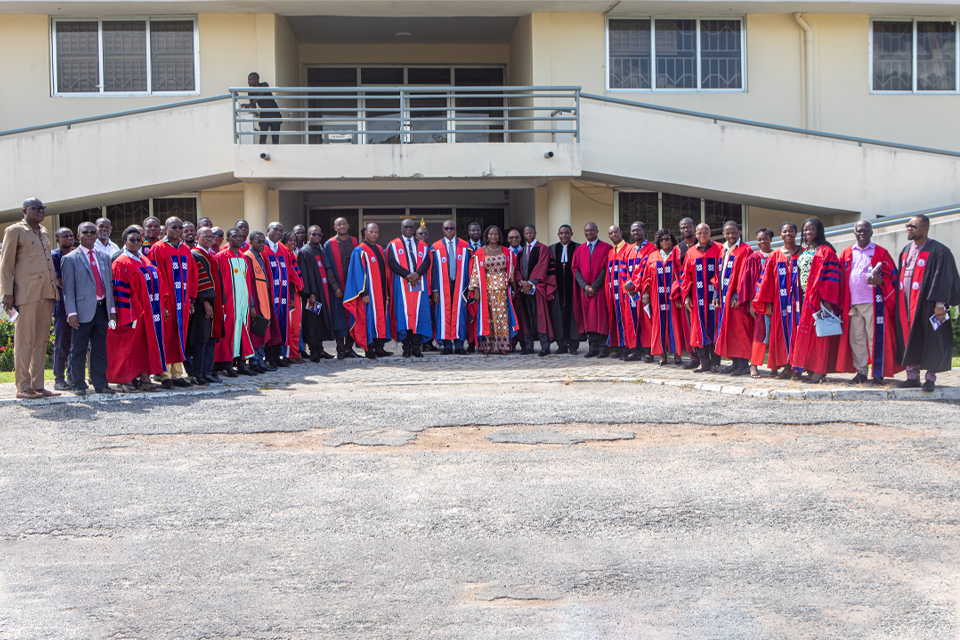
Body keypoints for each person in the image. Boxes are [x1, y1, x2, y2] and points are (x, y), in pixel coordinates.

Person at [0, 198, 61, 399]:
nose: (40, 211)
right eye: (35, 208)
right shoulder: (14, 231)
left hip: (46, 291)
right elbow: (6, 265)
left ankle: (38, 384)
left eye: (42, 208)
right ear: (25, 210)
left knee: (41, 341)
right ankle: (23, 386)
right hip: (25, 292)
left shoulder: (43, 231)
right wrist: (7, 293)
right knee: (24, 340)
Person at [894, 214, 960, 391]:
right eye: (907, 226)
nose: (909, 229)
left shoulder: (939, 251)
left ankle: (930, 378)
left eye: (913, 226)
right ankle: (912, 377)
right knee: (909, 339)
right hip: (907, 306)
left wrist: (940, 304)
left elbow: (945, 278)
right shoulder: (906, 249)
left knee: (931, 340)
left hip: (928, 306)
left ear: (925, 228)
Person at [835, 220, 902, 386]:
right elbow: (840, 279)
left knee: (875, 339)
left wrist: (880, 281)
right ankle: (861, 372)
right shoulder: (847, 253)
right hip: (853, 305)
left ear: (871, 233)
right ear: (854, 232)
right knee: (856, 340)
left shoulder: (881, 252)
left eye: (866, 230)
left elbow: (892, 277)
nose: (862, 233)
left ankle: (878, 374)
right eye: (859, 230)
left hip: (874, 304)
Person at [61, 221, 117, 395]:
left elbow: (108, 285)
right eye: (85, 232)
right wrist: (71, 313)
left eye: (92, 232)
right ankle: (78, 384)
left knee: (99, 348)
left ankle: (100, 383)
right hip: (81, 310)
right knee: (78, 348)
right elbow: (68, 289)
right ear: (78, 236)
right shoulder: (70, 258)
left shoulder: (104, 257)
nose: (90, 235)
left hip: (101, 309)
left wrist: (112, 310)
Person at [108, 226, 166, 392]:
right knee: (129, 347)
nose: (135, 242)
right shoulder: (121, 263)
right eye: (131, 240)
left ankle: (145, 377)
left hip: (150, 312)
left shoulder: (144, 259)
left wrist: (161, 306)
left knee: (146, 345)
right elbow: (119, 292)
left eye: (138, 240)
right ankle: (125, 379)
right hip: (134, 312)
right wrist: (130, 314)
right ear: (124, 241)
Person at [789, 217, 843, 383]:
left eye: (811, 229)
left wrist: (826, 302)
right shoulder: (804, 251)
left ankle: (819, 370)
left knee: (820, 335)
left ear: (819, 231)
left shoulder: (826, 251)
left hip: (819, 300)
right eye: (805, 229)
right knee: (807, 335)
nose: (808, 232)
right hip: (804, 300)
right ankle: (810, 368)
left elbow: (831, 278)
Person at [149, 216, 199, 389]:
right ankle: (164, 374)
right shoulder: (158, 248)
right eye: (174, 227)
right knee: (167, 336)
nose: (177, 230)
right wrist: (161, 302)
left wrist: (191, 298)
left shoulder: (185, 249)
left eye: (179, 227)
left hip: (183, 301)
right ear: (166, 229)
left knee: (180, 336)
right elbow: (155, 276)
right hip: (167, 300)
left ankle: (177, 374)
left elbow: (193, 275)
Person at [754, 222, 803, 379]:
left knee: (798, 333)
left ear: (796, 233)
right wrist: (768, 302)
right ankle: (787, 367)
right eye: (784, 231)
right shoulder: (775, 256)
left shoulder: (803, 253)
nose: (788, 233)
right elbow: (766, 280)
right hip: (779, 304)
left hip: (798, 302)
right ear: (780, 235)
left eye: (791, 231)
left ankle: (798, 367)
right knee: (782, 334)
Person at [344, 223, 393, 360]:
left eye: (376, 232)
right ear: (365, 233)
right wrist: (364, 293)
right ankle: (369, 348)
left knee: (381, 318)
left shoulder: (379, 249)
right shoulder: (360, 250)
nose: (374, 234)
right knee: (369, 320)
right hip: (369, 293)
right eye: (371, 232)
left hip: (381, 292)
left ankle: (380, 348)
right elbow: (358, 273)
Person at [468, 225, 519, 355]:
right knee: (488, 319)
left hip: (502, 290)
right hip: (487, 291)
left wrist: (513, 287)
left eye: (496, 234)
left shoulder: (507, 252)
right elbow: (475, 273)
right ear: (486, 236)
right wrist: (476, 291)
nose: (493, 236)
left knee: (502, 319)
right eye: (490, 234)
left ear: (499, 236)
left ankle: (502, 346)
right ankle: (487, 346)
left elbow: (511, 271)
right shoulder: (480, 252)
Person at [386, 218, 433, 358]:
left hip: (419, 286)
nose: (408, 228)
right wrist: (408, 275)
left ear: (414, 229)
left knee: (419, 315)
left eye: (411, 227)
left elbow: (427, 262)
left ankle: (416, 347)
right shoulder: (393, 245)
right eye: (406, 226)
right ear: (401, 228)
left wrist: (417, 274)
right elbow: (391, 263)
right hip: (401, 286)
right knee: (403, 315)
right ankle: (406, 348)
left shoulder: (423, 246)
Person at [713, 221, 754, 377]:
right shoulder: (723, 250)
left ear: (739, 232)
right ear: (723, 234)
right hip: (724, 296)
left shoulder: (745, 250)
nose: (731, 236)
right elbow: (719, 273)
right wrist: (716, 293)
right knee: (730, 330)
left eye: (733, 233)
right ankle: (735, 362)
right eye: (728, 233)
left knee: (740, 330)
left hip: (736, 298)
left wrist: (738, 295)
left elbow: (746, 275)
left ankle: (743, 364)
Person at [680, 223, 723, 373]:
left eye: (705, 232)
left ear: (710, 233)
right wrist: (686, 296)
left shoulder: (719, 248)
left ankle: (715, 362)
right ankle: (704, 362)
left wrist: (717, 292)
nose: (702, 235)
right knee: (698, 330)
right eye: (699, 233)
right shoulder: (691, 252)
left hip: (714, 298)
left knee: (715, 328)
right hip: (697, 300)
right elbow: (686, 276)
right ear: (695, 235)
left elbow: (721, 271)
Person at [638, 229, 684, 367]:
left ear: (672, 240)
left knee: (675, 324)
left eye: (667, 239)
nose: (664, 241)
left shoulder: (678, 254)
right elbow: (646, 277)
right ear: (658, 242)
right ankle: (662, 354)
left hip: (673, 297)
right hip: (657, 298)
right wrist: (645, 296)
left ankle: (677, 354)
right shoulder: (652, 256)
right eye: (661, 239)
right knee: (658, 325)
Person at [214, 228, 256, 376]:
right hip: (229, 303)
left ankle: (242, 363)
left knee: (243, 332)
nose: (238, 239)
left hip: (243, 303)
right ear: (227, 239)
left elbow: (248, 283)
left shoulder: (244, 258)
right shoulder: (220, 257)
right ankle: (227, 364)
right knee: (229, 332)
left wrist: (251, 304)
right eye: (234, 236)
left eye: (240, 237)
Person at [187, 227, 224, 386]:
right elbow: (198, 281)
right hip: (204, 305)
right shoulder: (195, 255)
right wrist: (205, 302)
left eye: (212, 236)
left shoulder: (211, 255)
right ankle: (197, 373)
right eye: (206, 236)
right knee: (201, 339)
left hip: (215, 303)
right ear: (197, 237)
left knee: (211, 338)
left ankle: (207, 371)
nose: (209, 239)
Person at [262, 222, 303, 366]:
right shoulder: (262, 248)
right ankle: (267, 358)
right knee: (269, 325)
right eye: (275, 230)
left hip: (283, 296)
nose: (278, 233)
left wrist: (294, 292)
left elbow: (292, 273)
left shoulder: (283, 250)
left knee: (281, 325)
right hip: (268, 296)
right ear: (268, 230)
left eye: (280, 230)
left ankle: (276, 357)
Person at [430, 219, 472, 355]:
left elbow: (471, 269)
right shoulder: (435, 247)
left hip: (461, 286)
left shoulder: (466, 246)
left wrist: (470, 288)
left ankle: (459, 344)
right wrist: (434, 289)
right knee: (443, 313)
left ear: (455, 229)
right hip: (442, 287)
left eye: (451, 228)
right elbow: (433, 271)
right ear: (443, 230)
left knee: (460, 314)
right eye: (446, 228)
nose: (449, 231)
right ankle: (447, 345)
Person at [571, 222, 612, 358]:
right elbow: (575, 269)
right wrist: (584, 286)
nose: (589, 233)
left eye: (591, 230)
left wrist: (594, 287)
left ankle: (603, 348)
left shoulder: (606, 248)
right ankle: (592, 348)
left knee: (602, 319)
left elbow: (606, 268)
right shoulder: (579, 249)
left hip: (599, 291)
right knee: (589, 320)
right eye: (586, 230)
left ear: (597, 231)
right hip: (586, 292)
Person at [323, 217, 360, 359]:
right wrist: (335, 287)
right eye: (339, 224)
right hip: (337, 287)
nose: (342, 226)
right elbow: (328, 267)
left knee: (352, 316)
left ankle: (349, 348)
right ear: (335, 228)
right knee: (339, 318)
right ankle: (340, 349)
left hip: (353, 287)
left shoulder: (355, 242)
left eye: (344, 223)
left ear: (349, 225)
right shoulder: (329, 244)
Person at [739, 228, 774, 379]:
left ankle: (775, 366)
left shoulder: (777, 256)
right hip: (759, 304)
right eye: (759, 239)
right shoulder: (753, 258)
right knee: (760, 334)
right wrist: (751, 304)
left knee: (775, 335)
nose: (762, 242)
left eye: (765, 239)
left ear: (771, 239)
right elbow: (747, 283)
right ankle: (754, 365)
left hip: (776, 302)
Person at [620, 221, 657, 362]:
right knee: (632, 321)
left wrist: (642, 289)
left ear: (644, 230)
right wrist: (630, 289)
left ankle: (649, 352)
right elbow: (623, 270)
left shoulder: (651, 248)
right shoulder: (628, 250)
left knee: (647, 322)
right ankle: (635, 351)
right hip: (631, 293)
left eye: (638, 230)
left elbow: (648, 271)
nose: (636, 232)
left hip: (645, 291)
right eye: (633, 230)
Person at [297, 226, 335, 362]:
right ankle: (313, 350)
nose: (317, 237)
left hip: (323, 292)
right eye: (314, 234)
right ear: (308, 235)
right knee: (313, 320)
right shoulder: (304, 252)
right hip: (313, 293)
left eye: (320, 235)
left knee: (321, 320)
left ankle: (320, 348)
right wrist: (311, 293)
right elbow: (305, 275)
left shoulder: (320, 249)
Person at [517, 225, 555, 356]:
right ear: (523, 234)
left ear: (535, 233)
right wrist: (521, 282)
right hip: (524, 290)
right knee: (526, 318)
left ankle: (545, 347)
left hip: (538, 289)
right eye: (526, 233)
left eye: (531, 233)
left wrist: (531, 283)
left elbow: (543, 267)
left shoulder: (543, 249)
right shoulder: (521, 251)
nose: (528, 235)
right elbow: (516, 269)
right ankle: (528, 347)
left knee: (541, 317)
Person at [244, 232, 275, 374]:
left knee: (262, 330)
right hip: (255, 300)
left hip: (263, 299)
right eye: (258, 242)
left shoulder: (261, 257)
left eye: (263, 242)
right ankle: (254, 361)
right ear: (251, 242)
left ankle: (260, 360)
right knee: (255, 332)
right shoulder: (247, 257)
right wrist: (251, 305)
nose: (262, 244)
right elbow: (248, 283)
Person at [549, 225, 582, 354]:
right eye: (561, 233)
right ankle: (561, 344)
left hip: (573, 287)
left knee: (573, 315)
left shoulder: (578, 247)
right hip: (557, 287)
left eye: (567, 233)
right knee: (558, 315)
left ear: (571, 233)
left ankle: (574, 345)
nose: (564, 235)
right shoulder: (552, 248)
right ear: (558, 234)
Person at [51, 227, 75, 391]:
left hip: (79, 307)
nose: (69, 238)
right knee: (62, 344)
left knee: (76, 344)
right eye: (65, 236)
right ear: (57, 239)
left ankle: (72, 376)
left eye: (71, 235)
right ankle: (59, 379)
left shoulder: (76, 254)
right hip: (63, 307)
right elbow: (59, 281)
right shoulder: (55, 256)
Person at [603, 225, 628, 359]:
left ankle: (627, 348)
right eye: (611, 233)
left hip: (625, 293)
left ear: (621, 232)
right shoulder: (611, 252)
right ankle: (619, 347)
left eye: (616, 232)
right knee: (616, 319)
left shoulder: (628, 249)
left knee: (625, 320)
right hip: (614, 293)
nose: (614, 234)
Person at [281, 230, 305, 362]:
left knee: (297, 325)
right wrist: (290, 297)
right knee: (291, 326)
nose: (293, 243)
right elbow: (289, 278)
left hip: (295, 293)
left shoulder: (293, 254)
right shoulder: (284, 254)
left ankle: (294, 354)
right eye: (290, 240)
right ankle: (288, 355)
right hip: (289, 295)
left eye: (295, 241)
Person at [415, 225, 438, 352]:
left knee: (430, 317)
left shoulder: (431, 250)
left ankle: (428, 343)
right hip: (418, 288)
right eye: (420, 234)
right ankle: (419, 343)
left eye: (425, 234)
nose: (423, 236)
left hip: (430, 288)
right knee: (420, 316)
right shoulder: (414, 249)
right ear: (416, 236)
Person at [245, 72, 282, 144]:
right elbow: (254, 107)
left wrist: (253, 102)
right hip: (264, 114)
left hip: (274, 114)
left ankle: (276, 153)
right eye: (248, 80)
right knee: (262, 137)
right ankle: (261, 152)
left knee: (275, 138)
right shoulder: (250, 92)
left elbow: (261, 93)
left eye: (250, 80)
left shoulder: (264, 84)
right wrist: (248, 105)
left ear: (256, 80)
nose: (248, 82)